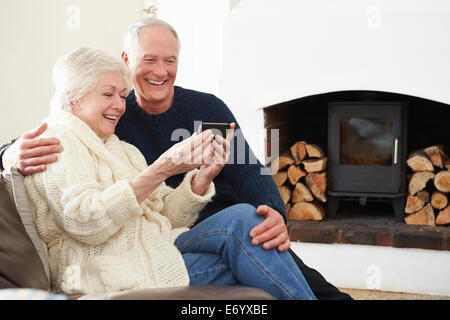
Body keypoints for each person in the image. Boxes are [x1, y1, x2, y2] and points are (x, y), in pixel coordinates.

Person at [0, 18, 351, 300]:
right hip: (159, 243)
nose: (160, 70)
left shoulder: (201, 109)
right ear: (127, 62)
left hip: (203, 226)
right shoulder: (103, 126)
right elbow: (45, 145)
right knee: (261, 259)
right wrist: (7, 154)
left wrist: (271, 210)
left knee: (263, 238)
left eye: (170, 60)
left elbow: (250, 169)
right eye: (149, 59)